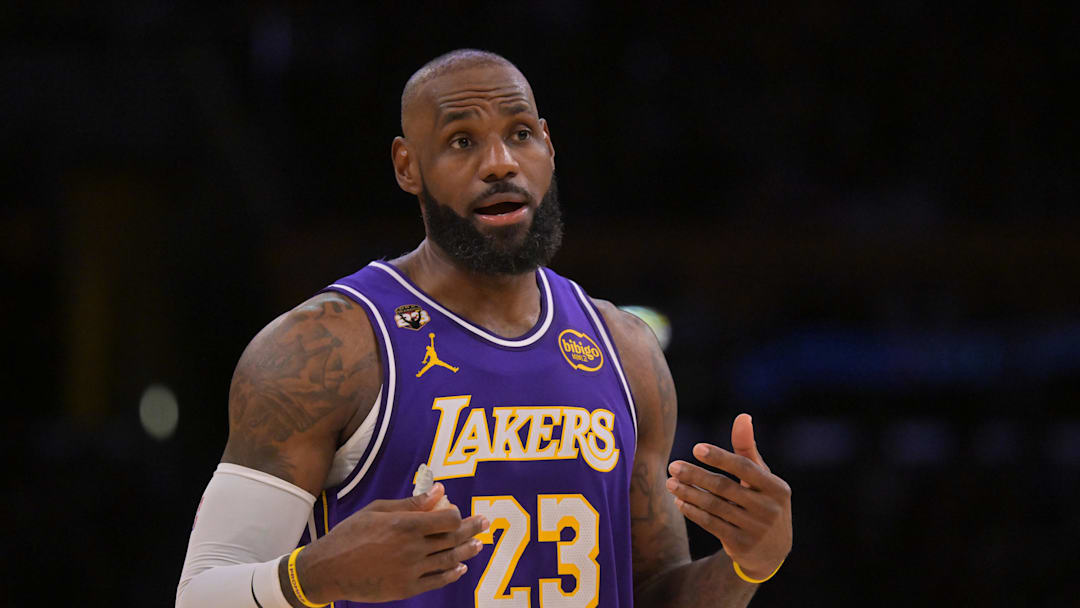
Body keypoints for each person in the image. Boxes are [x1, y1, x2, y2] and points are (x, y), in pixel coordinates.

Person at [177, 49, 792, 608]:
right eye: (461, 141)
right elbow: (200, 594)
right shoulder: (323, 349)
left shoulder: (625, 350)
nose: (499, 163)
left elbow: (655, 593)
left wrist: (748, 566)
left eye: (519, 134)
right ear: (407, 165)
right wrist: (311, 577)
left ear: (548, 147)